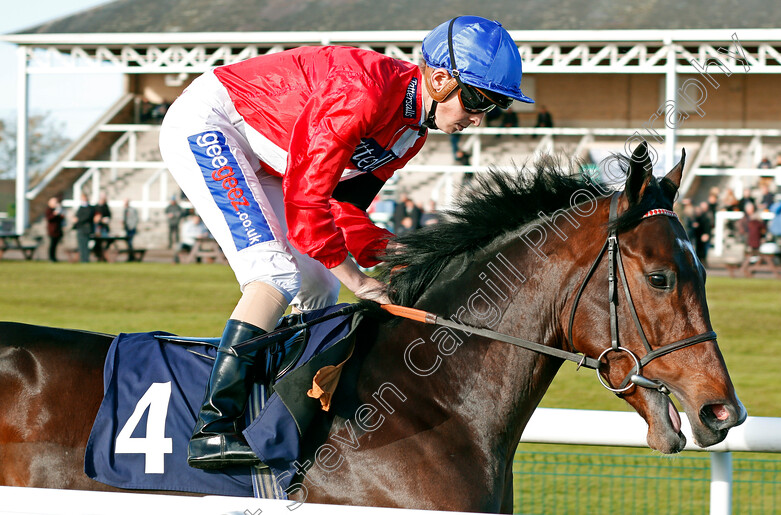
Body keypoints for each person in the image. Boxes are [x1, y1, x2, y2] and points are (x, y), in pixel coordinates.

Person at [158, 15, 533, 469]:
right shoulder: (364, 91)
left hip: (272, 158)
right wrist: (361, 281)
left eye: (492, 107)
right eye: (477, 101)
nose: (478, 118)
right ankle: (212, 429)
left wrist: (403, 260)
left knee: (319, 283)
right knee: (274, 272)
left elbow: (344, 209)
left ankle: (288, 406)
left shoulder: (410, 135)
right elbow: (307, 202)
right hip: (213, 124)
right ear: (439, 79)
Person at [72, 193, 96, 263]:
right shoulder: (81, 207)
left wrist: (78, 220)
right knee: (81, 245)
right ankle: (82, 259)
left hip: (86, 229)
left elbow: (86, 217)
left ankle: (85, 259)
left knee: (85, 245)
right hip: (80, 228)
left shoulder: (90, 208)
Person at [45, 197, 64, 263]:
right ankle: (51, 258)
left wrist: (61, 215)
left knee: (55, 245)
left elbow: (61, 219)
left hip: (57, 230)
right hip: (52, 230)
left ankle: (54, 258)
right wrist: (54, 214)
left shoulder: (57, 210)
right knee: (52, 245)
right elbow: (49, 218)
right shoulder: (49, 210)